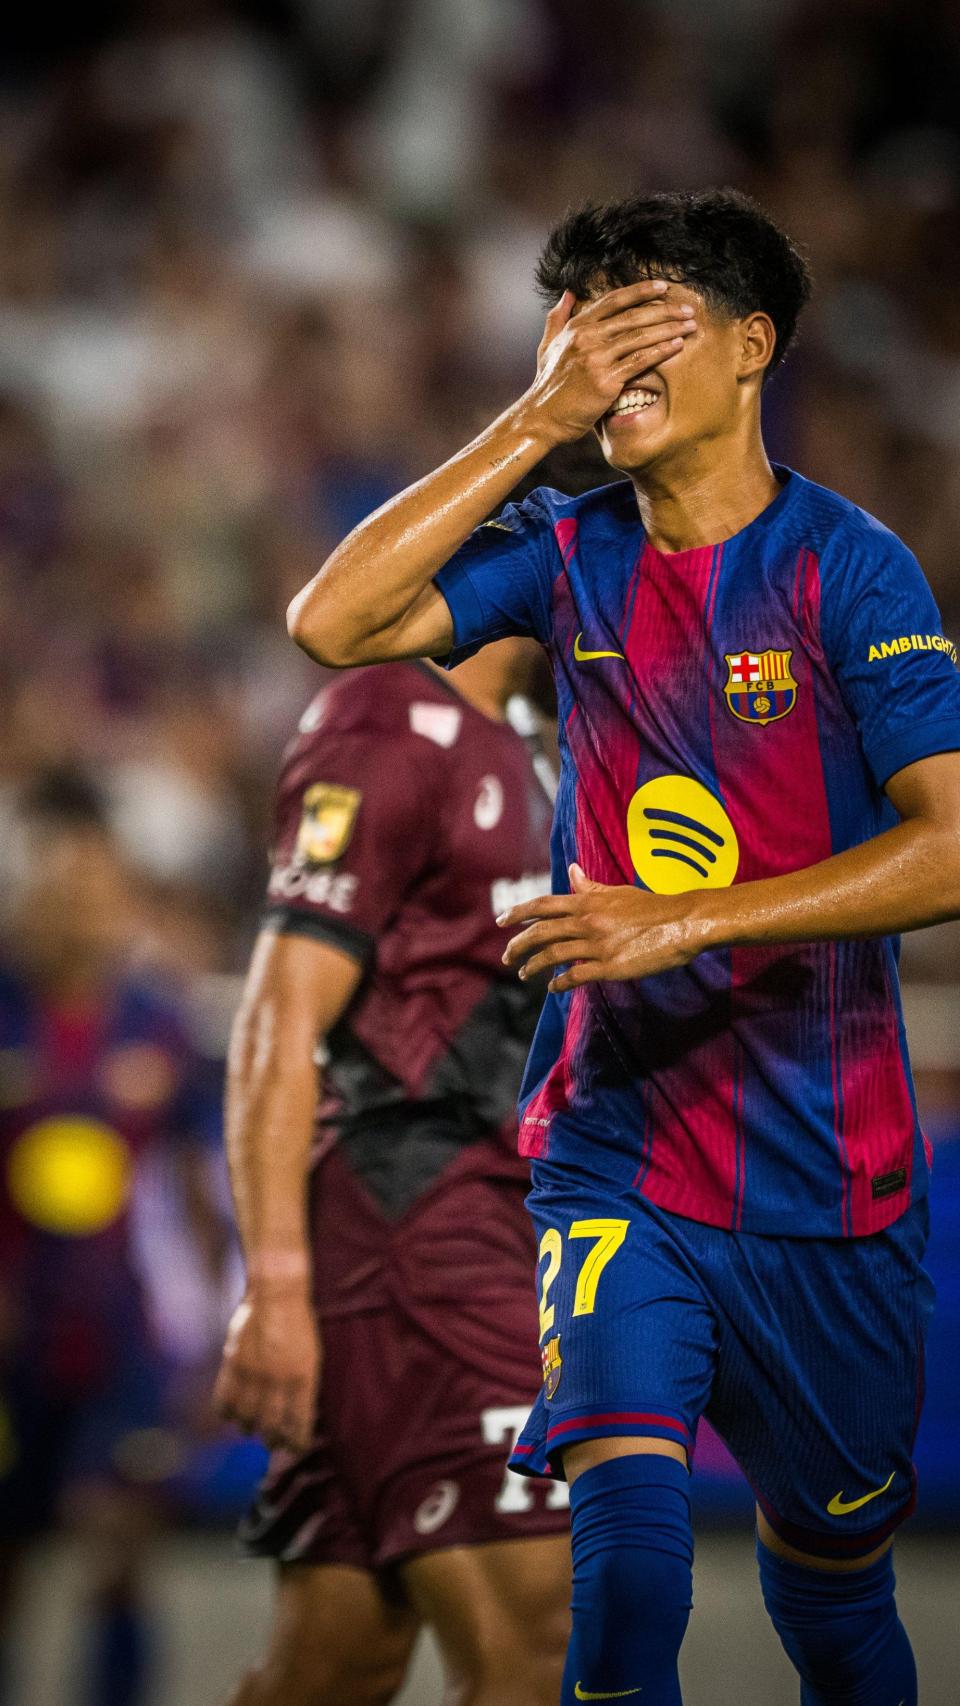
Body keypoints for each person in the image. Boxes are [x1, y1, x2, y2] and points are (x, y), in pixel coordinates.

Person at [285, 188, 960, 1706]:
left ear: (752, 349)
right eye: (588, 324)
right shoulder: (568, 542)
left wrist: (689, 917)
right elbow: (334, 620)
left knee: (839, 1599)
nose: (612, 355)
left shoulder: (852, 572)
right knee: (632, 1564)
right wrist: (533, 420)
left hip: (827, 1173)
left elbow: (955, 841)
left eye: (650, 320)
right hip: (616, 1147)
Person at [214, 638, 571, 1706]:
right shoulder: (387, 722)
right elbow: (279, 1014)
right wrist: (276, 1286)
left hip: (479, 1220)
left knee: (335, 1663)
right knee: (538, 1634)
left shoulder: (538, 742)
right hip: (416, 1224)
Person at [0, 769, 226, 1706]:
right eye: (60, 893)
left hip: (118, 1332)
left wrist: (221, 1334)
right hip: (14, 1338)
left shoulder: (160, 1025)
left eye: (98, 894)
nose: (78, 913)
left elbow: (202, 1189)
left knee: (117, 1543)